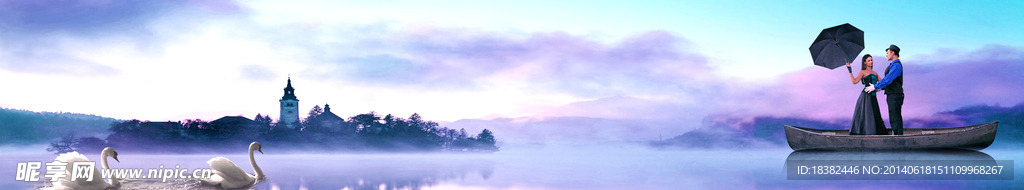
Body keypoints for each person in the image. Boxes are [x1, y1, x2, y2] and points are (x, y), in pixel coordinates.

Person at [865, 45, 904, 135]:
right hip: (892, 94)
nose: (886, 55)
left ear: (893, 52)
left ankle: (899, 139)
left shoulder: (896, 66)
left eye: (887, 53)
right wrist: (879, 87)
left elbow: (888, 79)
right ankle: (898, 136)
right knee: (894, 117)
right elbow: (889, 81)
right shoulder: (893, 65)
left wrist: (875, 86)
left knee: (895, 118)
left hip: (895, 95)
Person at [845, 54, 887, 135]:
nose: (871, 62)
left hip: (873, 96)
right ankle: (868, 133)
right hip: (865, 96)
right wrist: (850, 70)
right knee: (868, 115)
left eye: (871, 60)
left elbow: (882, 83)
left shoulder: (875, 73)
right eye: (869, 60)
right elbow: (854, 82)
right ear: (865, 63)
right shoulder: (862, 72)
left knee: (875, 114)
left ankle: (875, 134)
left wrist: (886, 78)